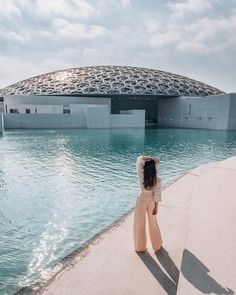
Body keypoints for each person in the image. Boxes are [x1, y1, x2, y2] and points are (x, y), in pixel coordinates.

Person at [133, 155, 163, 253]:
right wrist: (156, 207)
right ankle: (157, 246)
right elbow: (157, 195)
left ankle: (140, 248)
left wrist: (152, 158)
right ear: (154, 169)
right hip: (151, 201)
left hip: (141, 200)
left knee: (139, 223)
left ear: (144, 168)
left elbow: (140, 158)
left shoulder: (141, 174)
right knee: (153, 223)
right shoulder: (157, 180)